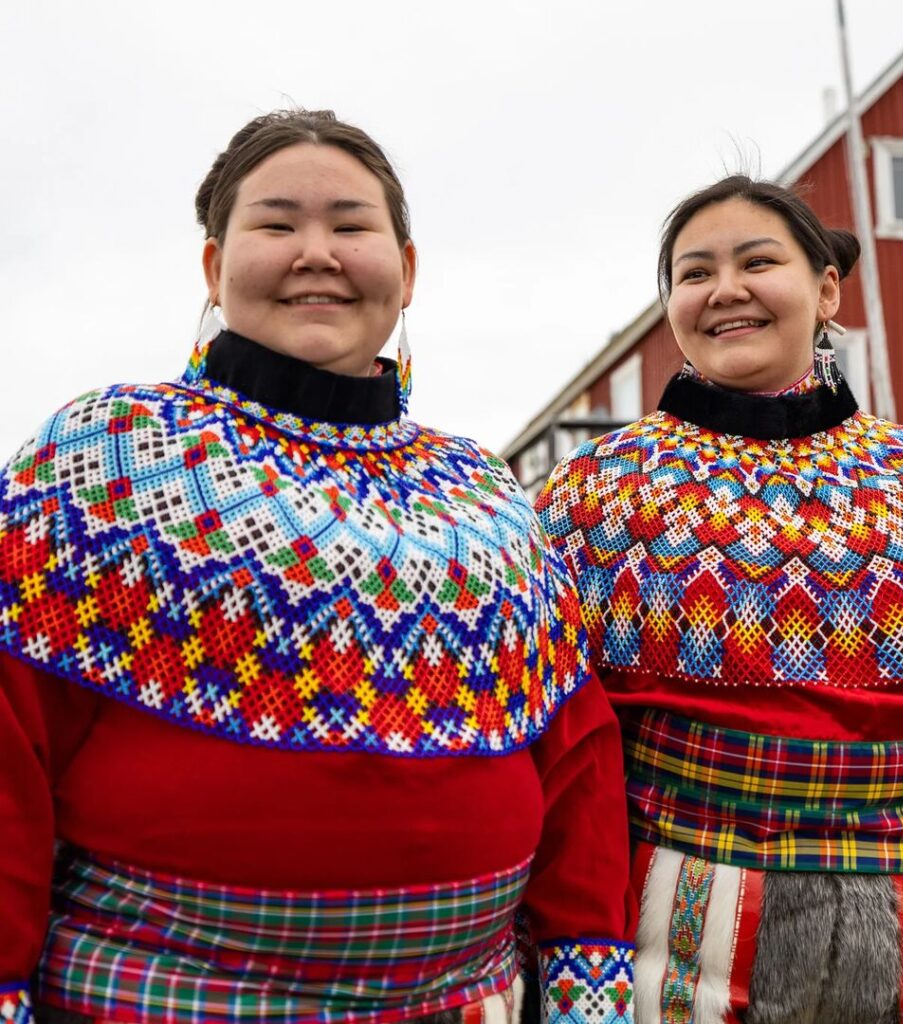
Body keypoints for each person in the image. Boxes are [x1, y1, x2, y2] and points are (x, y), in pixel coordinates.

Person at [0, 109, 635, 1024]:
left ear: (406, 272)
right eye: (275, 223)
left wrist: (588, 988)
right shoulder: (105, 454)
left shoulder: (483, 495)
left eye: (349, 224)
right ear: (215, 268)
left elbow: (574, 757)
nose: (315, 252)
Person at [537, 175, 903, 1024]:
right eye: (693, 274)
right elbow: (563, 748)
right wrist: (576, 971)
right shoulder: (596, 493)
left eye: (757, 261)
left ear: (827, 288)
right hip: (672, 954)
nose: (724, 290)